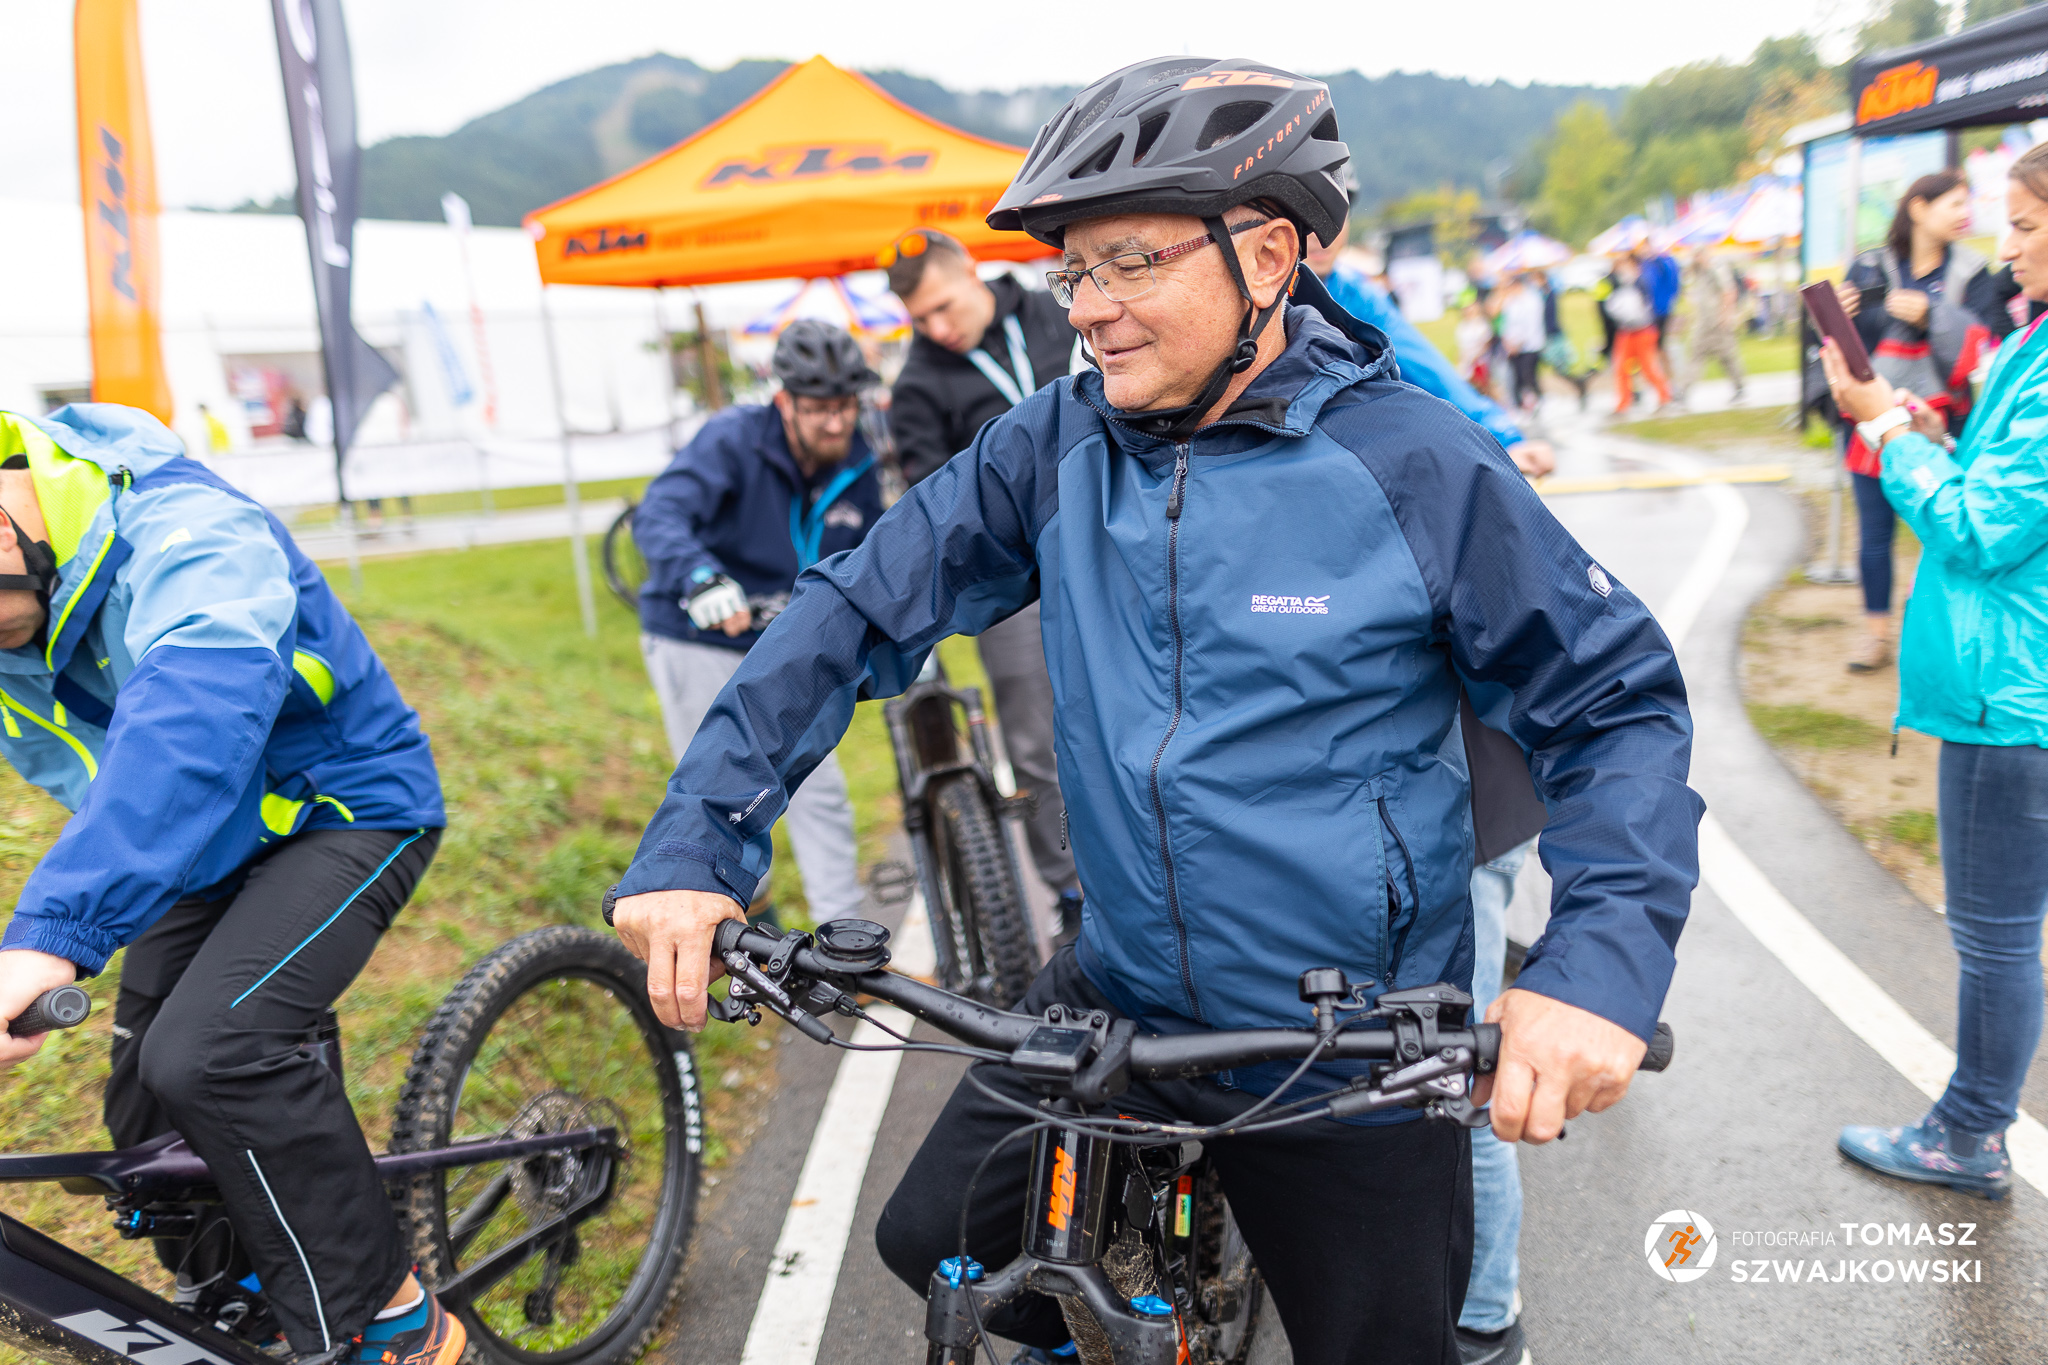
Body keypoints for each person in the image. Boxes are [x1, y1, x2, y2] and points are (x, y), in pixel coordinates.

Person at [607, 57, 1701, 1364]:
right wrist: (698, 838)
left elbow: (1616, 704)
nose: (1089, 308)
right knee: (934, 1246)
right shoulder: (1054, 443)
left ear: (1270, 255)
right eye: (1075, 271)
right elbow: (853, 607)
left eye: (1131, 262)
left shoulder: (1413, 462)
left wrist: (1593, 971)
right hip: (1118, 988)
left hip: (1342, 1040)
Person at [0, 404, 455, 1365]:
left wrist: (51, 933)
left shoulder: (189, 529)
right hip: (200, 843)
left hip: (341, 808)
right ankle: (246, 1300)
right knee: (143, 1103)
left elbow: (191, 720)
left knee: (209, 1053)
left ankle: (392, 1318)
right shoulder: (18, 615)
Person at [1306, 213, 1552, 1365]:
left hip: (1468, 802)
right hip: (1407, 813)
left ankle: (1486, 1318)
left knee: (1452, 1070)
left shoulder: (1379, 389)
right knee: (1405, 1063)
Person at [1821, 139, 2048, 1205]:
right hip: (2012, 678)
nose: (2006, 248)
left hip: (2012, 691)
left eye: (2025, 225)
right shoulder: (2030, 339)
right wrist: (1912, 426)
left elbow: (1979, 528)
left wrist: (1884, 429)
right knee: (2003, 933)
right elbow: (1993, 488)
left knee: (1995, 936)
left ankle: (1968, 1134)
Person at [630, 319, 882, 928]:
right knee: (726, 794)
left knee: (819, 790)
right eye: (818, 409)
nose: (835, 423)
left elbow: (876, 555)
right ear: (784, 401)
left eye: (845, 406)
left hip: (787, 641)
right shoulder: (732, 439)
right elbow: (659, 513)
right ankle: (745, 937)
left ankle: (845, 947)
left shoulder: (858, 462)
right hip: (700, 633)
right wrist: (701, 578)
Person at [883, 228, 1083, 929]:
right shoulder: (917, 385)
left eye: (943, 306)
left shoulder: (1057, 313)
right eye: (921, 319)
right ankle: (1071, 896)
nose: (938, 328)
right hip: (1014, 579)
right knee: (1034, 741)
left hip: (1110, 542)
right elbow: (934, 498)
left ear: (970, 271)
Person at [1833, 170, 1992, 675]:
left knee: (1942, 528)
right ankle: (1875, 635)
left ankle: (1945, 636)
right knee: (1874, 532)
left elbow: (1988, 340)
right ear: (1919, 208)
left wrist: (1934, 316)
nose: (1965, 214)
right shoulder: (1869, 267)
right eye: (1955, 204)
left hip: (1939, 423)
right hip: (1870, 420)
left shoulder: (1973, 271)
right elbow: (1842, 345)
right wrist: (1834, 315)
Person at [1304, 200, 1554, 479]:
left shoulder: (1354, 293)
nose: (1321, 232)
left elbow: (1424, 365)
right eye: (1306, 212)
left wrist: (1503, 437)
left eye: (1335, 214)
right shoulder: (1272, 299)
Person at [1601, 254, 1671, 415]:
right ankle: (1623, 403)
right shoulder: (1620, 282)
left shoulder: (1641, 282)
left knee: (1648, 367)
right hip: (1626, 331)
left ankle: (1665, 397)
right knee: (1621, 369)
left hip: (1642, 330)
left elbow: (1644, 307)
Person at [1683, 248, 1747, 403]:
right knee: (1696, 354)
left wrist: (1726, 315)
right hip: (1704, 322)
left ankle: (1739, 387)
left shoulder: (1716, 269)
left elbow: (1729, 292)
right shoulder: (1699, 273)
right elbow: (1686, 277)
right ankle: (1684, 391)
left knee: (1728, 356)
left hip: (1718, 321)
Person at [1496, 272, 1549, 413]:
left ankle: (1538, 402)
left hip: (1529, 345)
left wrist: (1519, 342)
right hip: (1513, 345)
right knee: (1516, 377)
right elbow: (1506, 322)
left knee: (1528, 376)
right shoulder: (1511, 301)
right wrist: (1508, 341)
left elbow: (1531, 324)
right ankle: (1522, 406)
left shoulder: (1531, 299)